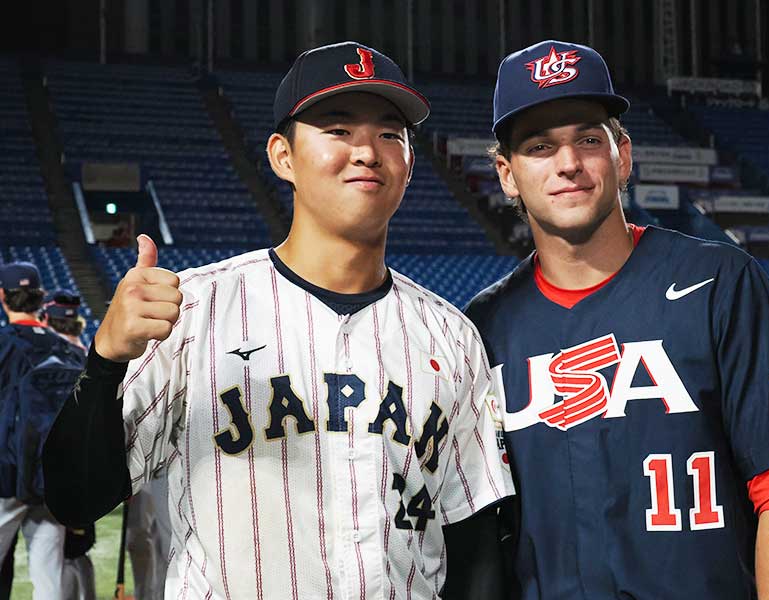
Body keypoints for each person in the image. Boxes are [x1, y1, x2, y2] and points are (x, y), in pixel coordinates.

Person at [42, 41, 513, 599]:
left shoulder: (451, 335)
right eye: (337, 130)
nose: (367, 151)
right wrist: (105, 362)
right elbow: (75, 496)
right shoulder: (197, 309)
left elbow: (476, 540)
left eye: (391, 133)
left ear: (410, 162)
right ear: (282, 156)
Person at [465, 40, 769, 600]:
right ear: (506, 173)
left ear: (623, 154)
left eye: (588, 139)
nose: (568, 164)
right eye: (540, 146)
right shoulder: (483, 327)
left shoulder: (720, 283)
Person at [0, 263, 70, 599]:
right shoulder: (69, 350)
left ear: (3, 296)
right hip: (52, 477)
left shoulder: (3, 344)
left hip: (6, 475)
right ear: (41, 297)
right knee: (49, 578)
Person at [42, 290, 97, 600]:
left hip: (58, 467)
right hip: (83, 466)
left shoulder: (55, 357)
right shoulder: (87, 355)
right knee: (78, 548)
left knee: (61, 553)